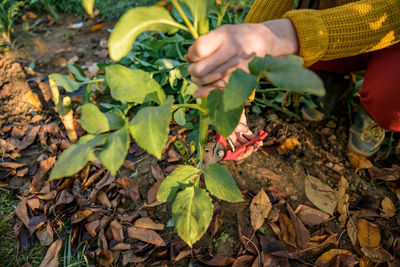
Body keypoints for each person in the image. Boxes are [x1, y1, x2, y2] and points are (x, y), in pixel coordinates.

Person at [184, 0, 400, 159]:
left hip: (389, 38)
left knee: (390, 93)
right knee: (286, 60)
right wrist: (237, 94)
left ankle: (374, 111)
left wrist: (284, 35)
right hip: (328, 17)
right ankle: (333, 81)